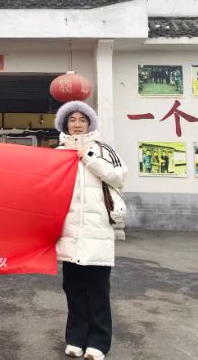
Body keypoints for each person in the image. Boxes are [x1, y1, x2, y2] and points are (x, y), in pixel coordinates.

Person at [54, 101, 128, 360]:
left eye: (82, 119)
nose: (77, 124)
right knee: (73, 289)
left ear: (89, 123)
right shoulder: (57, 153)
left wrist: (89, 158)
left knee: (98, 290)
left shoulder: (103, 150)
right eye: (72, 119)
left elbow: (119, 177)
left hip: (97, 231)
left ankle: (98, 342)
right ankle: (75, 338)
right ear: (65, 124)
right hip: (70, 232)